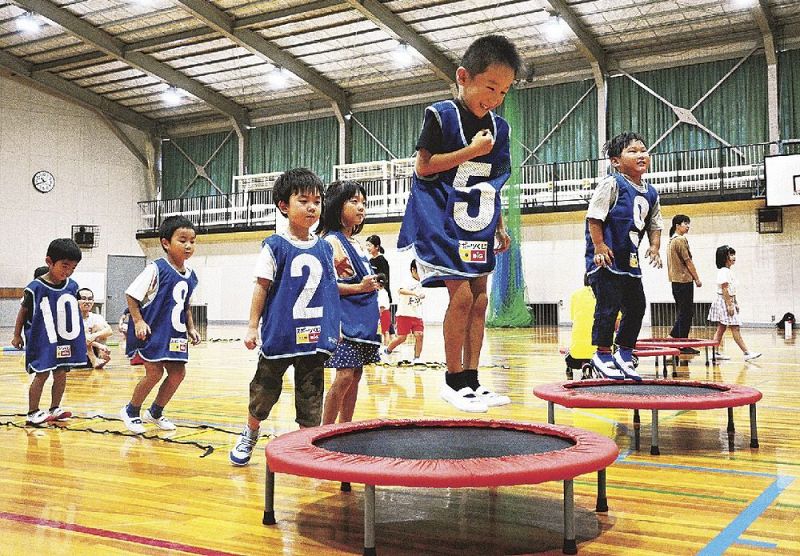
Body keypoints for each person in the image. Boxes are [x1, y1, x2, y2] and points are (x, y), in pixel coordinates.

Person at [397, 35, 522, 412]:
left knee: (481, 299)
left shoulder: (500, 129)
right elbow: (424, 166)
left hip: (478, 218)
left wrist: (499, 226)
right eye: (490, 87)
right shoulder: (440, 114)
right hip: (440, 217)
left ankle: (472, 380)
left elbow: (493, 182)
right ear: (464, 76)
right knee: (462, 296)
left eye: (504, 91)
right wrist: (470, 151)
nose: (496, 98)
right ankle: (452, 381)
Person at [229, 169, 341, 466]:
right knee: (264, 391)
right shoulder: (274, 246)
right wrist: (252, 326)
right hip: (280, 334)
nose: (312, 207)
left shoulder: (324, 247)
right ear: (283, 206)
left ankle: (307, 448)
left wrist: (335, 326)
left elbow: (330, 290)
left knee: (311, 395)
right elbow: (261, 287)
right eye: (303, 200)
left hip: (313, 337)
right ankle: (250, 433)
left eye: (317, 201)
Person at [586, 132, 663, 381]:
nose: (641, 154)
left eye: (643, 149)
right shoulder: (612, 183)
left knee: (637, 306)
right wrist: (598, 247)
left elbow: (655, 223)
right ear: (616, 161)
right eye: (633, 151)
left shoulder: (651, 192)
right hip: (606, 258)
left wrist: (654, 247)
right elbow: (594, 217)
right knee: (607, 307)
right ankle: (602, 353)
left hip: (630, 261)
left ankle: (625, 352)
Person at [119, 215, 201, 434]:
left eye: (192, 241)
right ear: (166, 243)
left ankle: (155, 412)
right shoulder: (156, 269)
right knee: (154, 373)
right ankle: (131, 410)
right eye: (182, 240)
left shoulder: (192, 276)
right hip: (154, 331)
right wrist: (138, 321)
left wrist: (191, 328)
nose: (188, 245)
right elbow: (131, 295)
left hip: (175, 333)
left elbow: (186, 307)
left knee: (177, 374)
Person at [319, 181, 381, 430]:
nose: (361, 208)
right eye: (353, 202)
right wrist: (359, 288)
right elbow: (324, 287)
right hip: (343, 321)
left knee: (356, 375)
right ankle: (324, 429)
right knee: (344, 375)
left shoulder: (357, 243)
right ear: (335, 206)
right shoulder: (329, 242)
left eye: (363, 203)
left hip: (363, 319)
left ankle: (344, 427)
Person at [11, 239, 87, 425]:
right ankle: (32, 412)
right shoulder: (35, 288)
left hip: (63, 339)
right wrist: (16, 334)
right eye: (64, 266)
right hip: (42, 339)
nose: (68, 272)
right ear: (49, 262)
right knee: (42, 373)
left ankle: (55, 407)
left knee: (61, 373)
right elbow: (23, 312)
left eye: (73, 268)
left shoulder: (72, 286)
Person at [707, 245, 761, 361]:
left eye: (733, 254)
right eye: (730, 254)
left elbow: (732, 290)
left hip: (728, 301)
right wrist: (729, 304)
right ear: (724, 257)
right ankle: (746, 352)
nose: (733, 257)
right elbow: (725, 289)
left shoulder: (729, 271)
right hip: (724, 301)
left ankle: (715, 353)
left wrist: (735, 302)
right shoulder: (723, 272)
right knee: (735, 328)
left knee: (721, 328)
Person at [667, 215, 702, 352]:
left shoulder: (671, 241)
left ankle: (675, 339)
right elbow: (688, 261)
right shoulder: (680, 240)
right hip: (683, 280)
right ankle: (681, 343)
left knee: (683, 312)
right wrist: (697, 278)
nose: (687, 226)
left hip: (675, 282)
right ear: (677, 225)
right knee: (686, 313)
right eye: (685, 223)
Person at [382, 260, 426, 364]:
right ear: (413, 270)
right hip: (404, 315)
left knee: (419, 335)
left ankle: (417, 358)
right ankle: (387, 351)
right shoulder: (407, 280)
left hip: (417, 315)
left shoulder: (422, 283)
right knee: (402, 338)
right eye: (420, 270)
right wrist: (414, 293)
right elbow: (400, 290)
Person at [77, 287, 113, 369]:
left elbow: (109, 331)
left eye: (90, 299)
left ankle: (101, 356)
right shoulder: (72, 317)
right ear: (77, 301)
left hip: (92, 348)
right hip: (76, 352)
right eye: (83, 299)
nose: (87, 302)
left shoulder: (96, 317)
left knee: (99, 326)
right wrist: (99, 345)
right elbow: (80, 337)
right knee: (84, 332)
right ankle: (94, 360)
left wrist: (95, 335)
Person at [366, 235, 392, 305]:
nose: (367, 248)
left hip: (382, 294)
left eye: (369, 245)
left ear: (377, 247)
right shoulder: (370, 260)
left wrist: (380, 288)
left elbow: (385, 278)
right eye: (367, 245)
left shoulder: (381, 260)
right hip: (374, 292)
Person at [377, 281, 393, 346]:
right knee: (390, 331)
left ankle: (386, 346)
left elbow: (382, 305)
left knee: (385, 331)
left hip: (384, 312)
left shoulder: (382, 293)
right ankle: (392, 346)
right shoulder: (383, 292)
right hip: (385, 312)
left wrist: (380, 313)